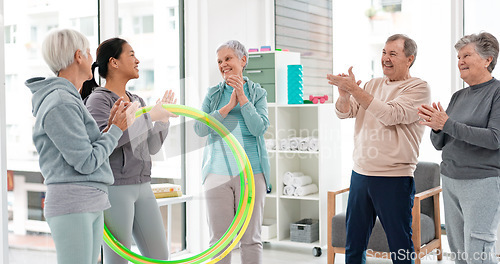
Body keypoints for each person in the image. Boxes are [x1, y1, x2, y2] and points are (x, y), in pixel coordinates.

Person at [26, 29, 138, 264]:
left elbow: (87, 151)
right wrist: (116, 129)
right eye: (88, 53)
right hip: (72, 202)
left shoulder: (69, 99)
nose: (92, 60)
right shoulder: (60, 102)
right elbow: (86, 161)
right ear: (79, 56)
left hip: (89, 200)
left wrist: (109, 128)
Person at [327, 34, 431, 264]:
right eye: (384, 52)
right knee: (353, 245)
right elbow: (344, 112)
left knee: (400, 246)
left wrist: (355, 89)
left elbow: (390, 114)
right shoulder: (372, 84)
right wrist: (345, 95)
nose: (386, 58)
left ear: (409, 59)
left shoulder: (418, 88)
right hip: (361, 175)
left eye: (393, 54)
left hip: (393, 178)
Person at [81, 37, 177, 263]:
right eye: (132, 55)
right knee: (118, 260)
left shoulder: (137, 100)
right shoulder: (98, 100)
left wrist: (162, 120)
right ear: (114, 62)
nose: (138, 60)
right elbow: (105, 142)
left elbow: (152, 147)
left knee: (160, 257)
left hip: (143, 186)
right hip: (115, 188)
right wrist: (150, 116)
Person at [418, 32, 500, 264]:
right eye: (458, 56)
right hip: (451, 179)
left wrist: (447, 123)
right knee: (458, 250)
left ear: (488, 59)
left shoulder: (497, 93)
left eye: (466, 55)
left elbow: (495, 139)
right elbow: (440, 143)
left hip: (482, 182)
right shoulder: (458, 96)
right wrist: (436, 127)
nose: (460, 61)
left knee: (478, 251)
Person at [193, 40, 271, 264]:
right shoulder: (213, 94)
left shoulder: (258, 93)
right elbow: (200, 129)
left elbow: (259, 128)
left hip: (252, 171)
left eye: (228, 59)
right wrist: (226, 107)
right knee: (220, 240)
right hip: (217, 173)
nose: (223, 65)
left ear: (243, 60)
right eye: (219, 61)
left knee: (251, 239)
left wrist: (243, 99)